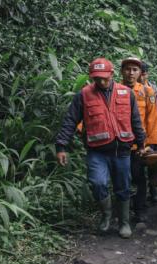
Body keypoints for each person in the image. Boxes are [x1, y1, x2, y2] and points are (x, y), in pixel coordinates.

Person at [55, 57, 146, 239]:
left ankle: (124, 222)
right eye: (97, 78)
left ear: (112, 75)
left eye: (104, 78)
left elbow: (135, 120)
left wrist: (142, 143)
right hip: (97, 151)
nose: (101, 81)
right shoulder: (84, 94)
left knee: (123, 186)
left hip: (122, 150)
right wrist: (61, 146)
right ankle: (106, 215)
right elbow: (70, 121)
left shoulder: (127, 93)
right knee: (97, 182)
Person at [121, 57, 157, 223]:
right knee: (121, 177)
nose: (131, 73)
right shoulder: (115, 89)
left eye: (135, 70)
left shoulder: (147, 92)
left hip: (138, 144)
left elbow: (152, 119)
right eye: (127, 69)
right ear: (122, 71)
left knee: (138, 177)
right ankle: (123, 209)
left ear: (140, 73)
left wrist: (148, 144)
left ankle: (140, 209)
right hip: (119, 143)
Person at [140, 62, 157, 203]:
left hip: (152, 132)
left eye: (144, 74)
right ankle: (140, 194)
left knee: (153, 164)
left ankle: (154, 190)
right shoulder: (126, 88)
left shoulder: (153, 90)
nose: (141, 77)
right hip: (135, 134)